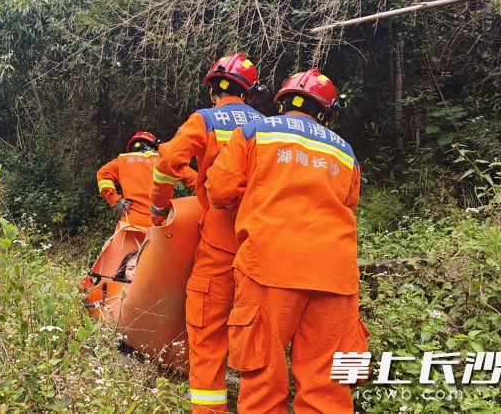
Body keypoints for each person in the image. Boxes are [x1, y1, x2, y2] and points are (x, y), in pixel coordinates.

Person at [205, 69, 369, 413]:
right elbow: (349, 205)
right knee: (331, 384)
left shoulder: (253, 131)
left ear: (281, 103)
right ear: (325, 111)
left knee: (263, 376)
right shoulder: (346, 152)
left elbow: (219, 191)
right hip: (335, 277)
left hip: (269, 268)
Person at [150, 53, 265, 413]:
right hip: (260, 240)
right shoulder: (270, 125)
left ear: (214, 89)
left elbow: (168, 162)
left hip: (218, 238)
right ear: (248, 92)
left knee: (206, 330)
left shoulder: (207, 119)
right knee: (256, 332)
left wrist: (159, 204)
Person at [97, 132, 195, 228]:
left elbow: (102, 174)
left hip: (132, 218)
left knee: (125, 244)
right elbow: (194, 179)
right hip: (160, 221)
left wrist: (116, 200)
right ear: (154, 145)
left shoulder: (122, 160)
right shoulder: (164, 160)